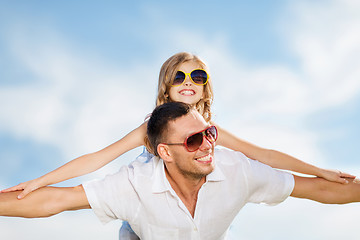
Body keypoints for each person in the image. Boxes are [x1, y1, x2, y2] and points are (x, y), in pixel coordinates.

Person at [0, 52, 355, 238]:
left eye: (197, 76)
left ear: (205, 87)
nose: (189, 82)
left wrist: (318, 170)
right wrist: (40, 180)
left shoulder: (215, 135)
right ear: (165, 86)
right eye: (179, 76)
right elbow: (99, 157)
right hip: (145, 217)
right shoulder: (148, 130)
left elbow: (264, 154)